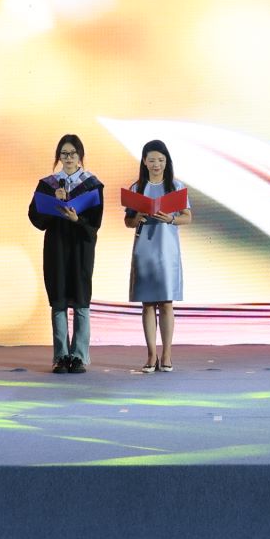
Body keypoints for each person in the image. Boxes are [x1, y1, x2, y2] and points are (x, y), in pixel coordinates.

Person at [28, 134, 105, 374]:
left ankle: (79, 356)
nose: (69, 158)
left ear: (80, 155)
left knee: (81, 300)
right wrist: (54, 202)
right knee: (59, 300)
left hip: (81, 248)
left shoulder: (92, 185)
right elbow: (35, 217)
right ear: (58, 157)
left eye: (73, 153)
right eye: (64, 154)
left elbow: (95, 223)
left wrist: (76, 219)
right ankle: (61, 356)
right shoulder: (48, 185)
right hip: (57, 248)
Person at [124, 139, 191, 373]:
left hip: (167, 250)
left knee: (166, 302)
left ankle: (167, 354)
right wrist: (137, 217)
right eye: (152, 160)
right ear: (144, 161)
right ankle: (151, 355)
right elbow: (128, 221)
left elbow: (187, 217)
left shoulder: (175, 186)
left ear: (166, 162)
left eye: (161, 160)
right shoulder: (137, 188)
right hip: (144, 250)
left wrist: (171, 218)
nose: (156, 164)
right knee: (147, 303)